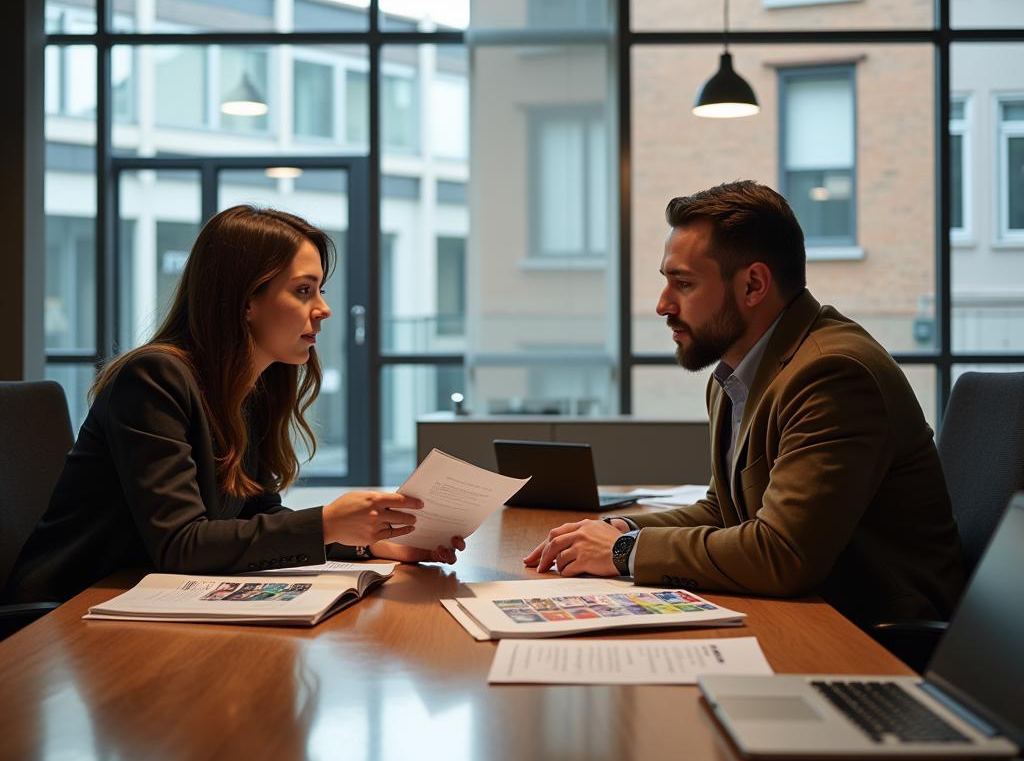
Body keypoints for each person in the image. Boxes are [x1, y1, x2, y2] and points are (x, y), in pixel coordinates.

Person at [525, 181, 965, 626]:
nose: (663, 305)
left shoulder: (833, 374)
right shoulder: (736, 373)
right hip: (806, 614)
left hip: (875, 638)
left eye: (683, 283)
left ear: (753, 284)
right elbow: (724, 510)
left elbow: (782, 555)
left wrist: (623, 554)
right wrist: (624, 530)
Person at [8, 205, 463, 604]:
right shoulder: (152, 378)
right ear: (246, 301)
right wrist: (328, 523)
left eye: (320, 290)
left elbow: (256, 515)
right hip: (70, 613)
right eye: (304, 290)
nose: (323, 308)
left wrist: (369, 545)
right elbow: (181, 544)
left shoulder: (251, 386)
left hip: (150, 598)